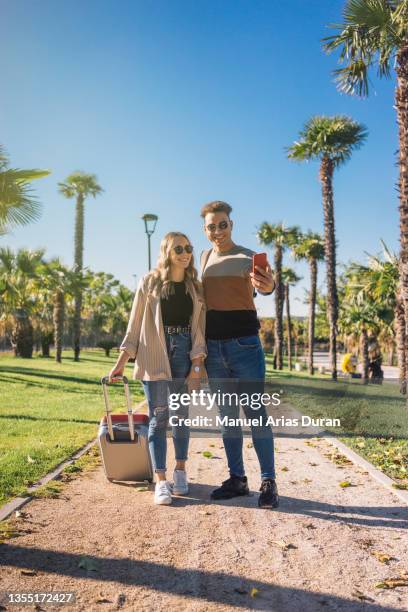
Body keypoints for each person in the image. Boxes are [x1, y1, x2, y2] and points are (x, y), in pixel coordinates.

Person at [109, 232, 207, 505]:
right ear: (166, 251)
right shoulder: (149, 282)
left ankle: (181, 471)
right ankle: (161, 481)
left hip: (184, 353)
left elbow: (200, 329)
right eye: (179, 248)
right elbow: (134, 324)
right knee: (158, 417)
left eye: (188, 248)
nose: (185, 253)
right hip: (154, 353)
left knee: (181, 416)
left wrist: (197, 365)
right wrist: (120, 364)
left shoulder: (196, 287)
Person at [200, 200, 279, 509]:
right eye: (211, 226)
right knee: (227, 417)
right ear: (205, 230)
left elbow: (268, 286)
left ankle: (269, 481)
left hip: (245, 346)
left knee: (256, 414)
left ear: (231, 224)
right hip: (213, 348)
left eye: (222, 224)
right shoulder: (205, 257)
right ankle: (237, 479)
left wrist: (269, 283)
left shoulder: (248, 257)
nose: (217, 230)